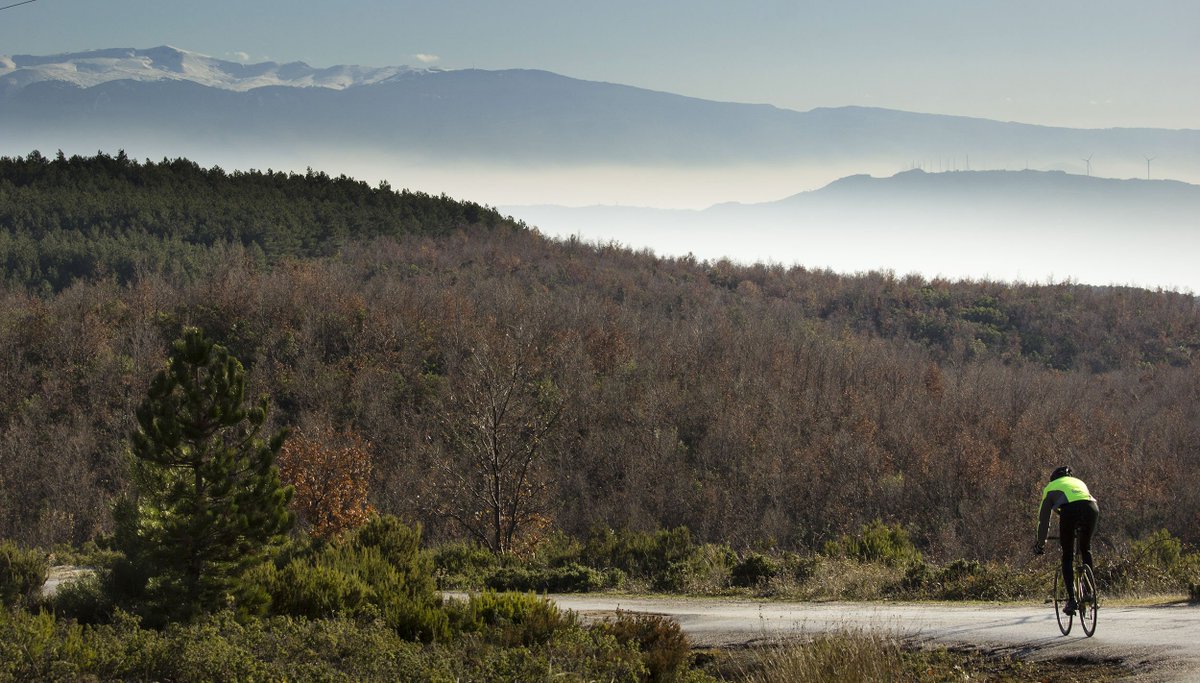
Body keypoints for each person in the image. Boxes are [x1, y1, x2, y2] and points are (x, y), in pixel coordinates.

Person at [1033, 466, 1099, 615]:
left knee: (1067, 554)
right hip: (1092, 508)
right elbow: (1080, 502)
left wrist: (1040, 543)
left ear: (1053, 479)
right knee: (1085, 548)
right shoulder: (1078, 482)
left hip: (1070, 511)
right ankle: (1089, 593)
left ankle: (1072, 600)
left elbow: (1043, 520)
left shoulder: (1050, 488)